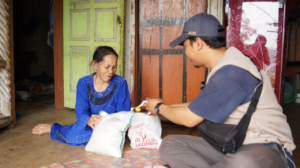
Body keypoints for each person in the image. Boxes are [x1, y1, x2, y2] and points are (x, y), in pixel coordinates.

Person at [144, 13, 295, 168]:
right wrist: (164, 105)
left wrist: (159, 108)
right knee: (170, 144)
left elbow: (190, 118)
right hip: (231, 145)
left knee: (243, 163)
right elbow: (197, 107)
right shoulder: (225, 64)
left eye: (185, 46)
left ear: (198, 43)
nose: (186, 52)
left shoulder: (232, 73)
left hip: (265, 148)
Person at [32, 46, 131, 146]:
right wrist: (88, 120)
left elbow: (123, 112)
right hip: (90, 125)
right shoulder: (84, 83)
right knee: (73, 136)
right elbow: (81, 110)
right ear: (95, 64)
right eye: (107, 67)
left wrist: (111, 123)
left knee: (110, 136)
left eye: (114, 67)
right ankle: (53, 128)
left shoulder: (120, 83)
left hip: (111, 125)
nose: (111, 71)